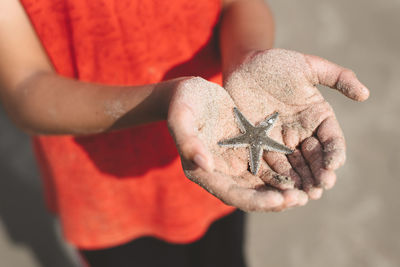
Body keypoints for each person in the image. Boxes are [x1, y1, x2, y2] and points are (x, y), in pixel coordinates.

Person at [0, 0, 369, 266]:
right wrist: (165, 99)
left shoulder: (238, 148)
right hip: (107, 199)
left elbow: (238, 5)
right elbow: (24, 87)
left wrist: (248, 57)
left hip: (222, 162)